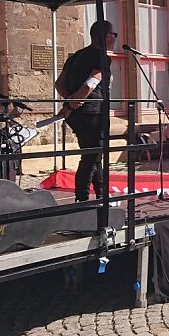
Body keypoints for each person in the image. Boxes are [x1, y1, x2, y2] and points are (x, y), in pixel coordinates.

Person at [54, 20, 116, 202]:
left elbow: (59, 83)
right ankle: (82, 198)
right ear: (106, 37)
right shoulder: (101, 56)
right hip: (92, 113)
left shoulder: (75, 56)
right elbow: (94, 79)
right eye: (114, 35)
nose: (115, 39)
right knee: (91, 157)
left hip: (77, 115)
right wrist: (76, 99)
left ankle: (102, 196)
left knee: (95, 155)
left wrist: (69, 99)